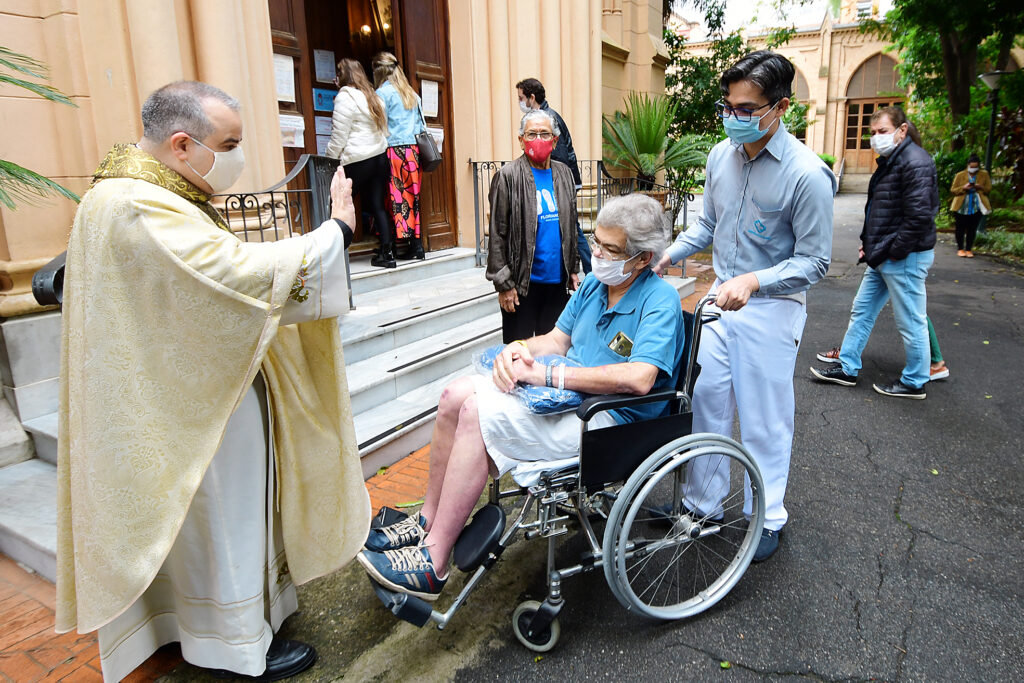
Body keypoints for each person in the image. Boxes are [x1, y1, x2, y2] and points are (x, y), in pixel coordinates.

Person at [55, 81, 371, 682]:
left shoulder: (137, 189)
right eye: (229, 144)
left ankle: (194, 626)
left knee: (199, 522)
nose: (238, 157)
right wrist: (336, 233)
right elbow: (230, 275)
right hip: (198, 405)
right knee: (224, 515)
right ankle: (236, 644)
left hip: (176, 387)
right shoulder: (135, 205)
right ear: (181, 144)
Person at [356, 194, 685, 600]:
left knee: (477, 412)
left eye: (610, 249)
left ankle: (433, 561)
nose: (596, 253)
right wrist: (522, 349)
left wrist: (548, 374)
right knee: (452, 396)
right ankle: (425, 519)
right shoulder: (599, 285)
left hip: (611, 420)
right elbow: (556, 339)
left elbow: (638, 379)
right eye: (595, 241)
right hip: (565, 398)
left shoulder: (660, 301)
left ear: (642, 258)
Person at [653, 50, 837, 563]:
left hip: (772, 308)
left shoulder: (806, 174)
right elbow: (709, 225)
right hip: (720, 301)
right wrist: (669, 251)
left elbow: (816, 262)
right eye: (729, 107)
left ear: (779, 108)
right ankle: (703, 506)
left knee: (764, 417)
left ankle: (768, 515)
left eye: (747, 108)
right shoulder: (719, 157)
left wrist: (755, 281)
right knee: (707, 402)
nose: (735, 118)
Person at [810, 105, 938, 399]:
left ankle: (915, 380)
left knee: (910, 320)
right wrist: (871, 245)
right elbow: (885, 212)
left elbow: (919, 217)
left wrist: (892, 250)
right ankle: (848, 367)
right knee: (862, 309)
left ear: (901, 130)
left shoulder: (914, 162)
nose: (876, 138)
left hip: (902, 257)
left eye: (882, 131)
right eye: (873, 133)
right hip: (883, 256)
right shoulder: (894, 161)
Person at [487, 109, 581, 344]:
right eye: (531, 134)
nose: (538, 140)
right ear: (521, 140)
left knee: (552, 352)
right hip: (521, 287)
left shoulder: (565, 175)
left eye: (544, 134)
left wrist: (572, 268)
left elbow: (571, 225)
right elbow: (498, 234)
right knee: (518, 355)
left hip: (557, 286)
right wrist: (504, 284)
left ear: (555, 140)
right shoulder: (507, 176)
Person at [517, 77, 593, 274]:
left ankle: (589, 268)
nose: (519, 103)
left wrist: (560, 183)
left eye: (521, 98)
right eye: (531, 135)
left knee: (570, 227)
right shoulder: (547, 117)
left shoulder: (547, 120)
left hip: (560, 184)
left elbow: (558, 157)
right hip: (565, 181)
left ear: (531, 97)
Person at [326, 58, 394, 268]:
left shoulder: (345, 99)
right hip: (379, 158)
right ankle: (387, 253)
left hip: (357, 159)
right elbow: (383, 130)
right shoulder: (374, 98)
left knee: (338, 204)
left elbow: (339, 135)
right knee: (377, 206)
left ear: (343, 76)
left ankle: (335, 255)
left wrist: (330, 158)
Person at [373, 52, 428, 260]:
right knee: (413, 197)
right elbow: (421, 124)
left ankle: (394, 245)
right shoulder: (411, 94)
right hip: (414, 151)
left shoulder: (382, 93)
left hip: (393, 150)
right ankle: (416, 246)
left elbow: (380, 126)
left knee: (395, 198)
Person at [815, 316, 949, 381]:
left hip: (896, 263)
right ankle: (848, 357)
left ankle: (918, 377)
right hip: (885, 262)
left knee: (912, 309)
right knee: (864, 303)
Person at [950, 153, 991, 258]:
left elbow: (988, 189)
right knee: (960, 228)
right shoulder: (960, 175)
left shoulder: (984, 174)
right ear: (968, 165)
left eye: (975, 167)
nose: (973, 169)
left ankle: (969, 249)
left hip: (976, 206)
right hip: (961, 206)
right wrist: (964, 188)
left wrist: (980, 187)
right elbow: (953, 190)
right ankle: (960, 249)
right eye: (971, 167)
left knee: (972, 229)